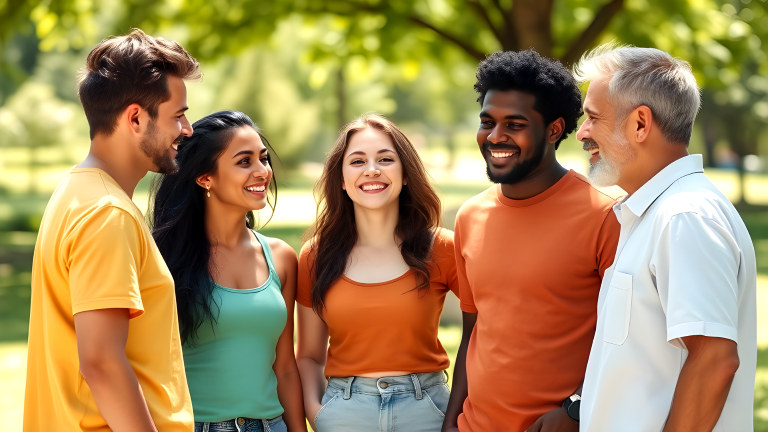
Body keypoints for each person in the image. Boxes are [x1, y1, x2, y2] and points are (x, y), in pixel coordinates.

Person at [23, 29, 200, 431]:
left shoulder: (75, 192)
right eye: (178, 115)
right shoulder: (107, 213)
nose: (187, 129)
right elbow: (101, 361)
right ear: (135, 118)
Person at [574, 45, 757, 432]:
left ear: (640, 123)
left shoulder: (684, 217)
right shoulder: (654, 213)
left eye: (592, 118)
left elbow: (714, 360)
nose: (582, 133)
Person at [441, 50, 621, 432]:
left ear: (554, 130)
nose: (495, 136)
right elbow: (475, 331)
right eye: (487, 122)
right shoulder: (471, 216)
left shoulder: (606, 215)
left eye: (514, 124)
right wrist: (452, 420)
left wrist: (575, 409)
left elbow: (628, 339)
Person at [295, 114, 459, 432]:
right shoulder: (316, 256)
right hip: (343, 414)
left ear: (405, 173)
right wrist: (319, 414)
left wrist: (454, 412)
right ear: (341, 178)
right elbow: (309, 356)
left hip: (426, 412)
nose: (372, 169)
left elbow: (484, 332)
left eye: (385, 159)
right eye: (357, 161)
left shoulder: (441, 247)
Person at [151, 111, 307, 432]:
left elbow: (285, 367)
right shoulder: (161, 259)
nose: (262, 171)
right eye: (244, 161)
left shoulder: (281, 258)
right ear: (205, 177)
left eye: (263, 159)